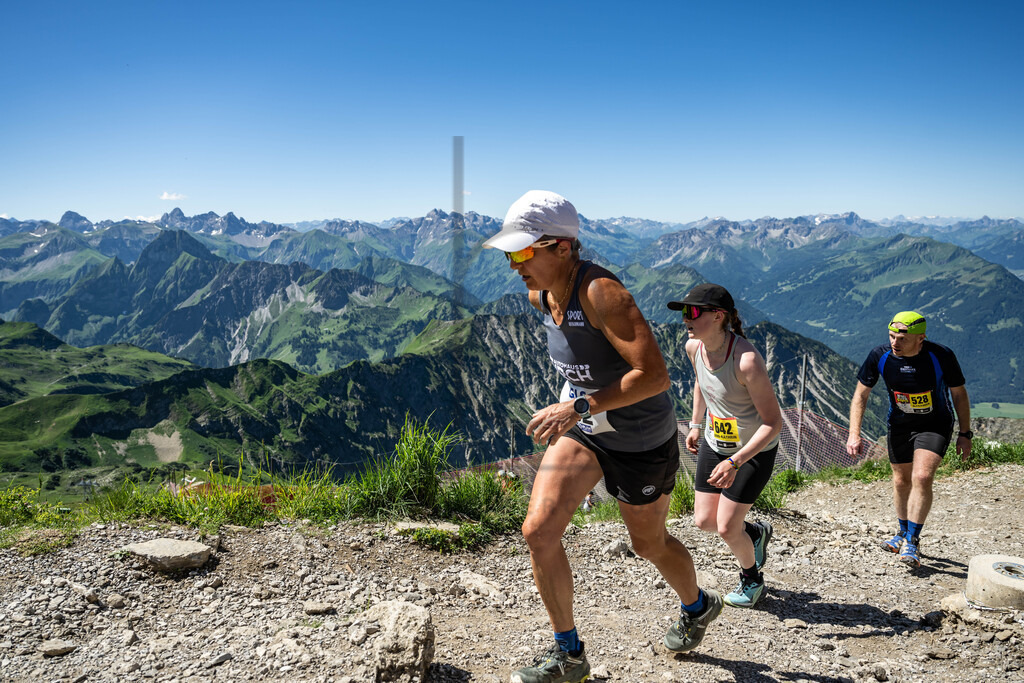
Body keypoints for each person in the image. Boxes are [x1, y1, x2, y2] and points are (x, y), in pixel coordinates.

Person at [483, 190, 721, 683]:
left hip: (638, 438)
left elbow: (655, 376)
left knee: (648, 544)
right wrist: (578, 405)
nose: (514, 265)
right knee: (539, 530)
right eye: (510, 253)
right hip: (588, 429)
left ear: (562, 247)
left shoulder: (602, 293)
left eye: (524, 252)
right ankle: (569, 655)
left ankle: (697, 605)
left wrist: (578, 403)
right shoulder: (541, 294)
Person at [669, 283, 782, 609]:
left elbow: (773, 423)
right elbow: (702, 383)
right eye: (684, 313)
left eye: (692, 312)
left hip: (753, 450)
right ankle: (755, 533)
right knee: (704, 521)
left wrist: (735, 462)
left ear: (718, 316)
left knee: (726, 526)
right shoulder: (694, 347)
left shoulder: (746, 361)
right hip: (715, 442)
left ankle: (752, 580)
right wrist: (695, 424)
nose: (685, 319)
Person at [846, 311, 972, 568]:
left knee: (922, 477)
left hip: (935, 425)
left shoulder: (941, 356)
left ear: (920, 339)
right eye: (892, 337)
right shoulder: (879, 356)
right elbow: (860, 395)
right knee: (901, 480)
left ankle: (912, 540)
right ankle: (902, 531)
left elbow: (959, 394)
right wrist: (854, 434)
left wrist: (965, 433)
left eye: (902, 339)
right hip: (900, 425)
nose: (895, 343)